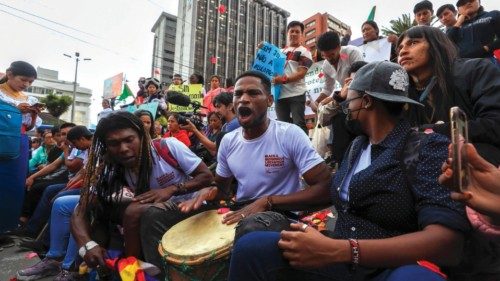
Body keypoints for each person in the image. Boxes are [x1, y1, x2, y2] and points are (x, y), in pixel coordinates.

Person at [226, 62, 469, 281]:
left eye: (348, 101)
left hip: (389, 267)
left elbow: (447, 243)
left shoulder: (427, 148)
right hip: (338, 260)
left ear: (366, 101)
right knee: (252, 247)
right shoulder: (357, 146)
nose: (345, 108)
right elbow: (331, 195)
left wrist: (342, 250)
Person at [178, 69, 330, 245]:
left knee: (250, 231)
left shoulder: (290, 134)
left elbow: (325, 189)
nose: (243, 98)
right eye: (238, 94)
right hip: (241, 210)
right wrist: (208, 192)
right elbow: (222, 190)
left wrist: (268, 202)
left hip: (280, 215)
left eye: (253, 93)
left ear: (269, 101)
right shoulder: (228, 141)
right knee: (167, 215)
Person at [70, 111, 212, 277]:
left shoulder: (168, 147)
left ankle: (131, 266)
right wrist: (86, 245)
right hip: (151, 213)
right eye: (114, 143)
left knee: (134, 211)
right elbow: (81, 209)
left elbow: (206, 177)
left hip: (189, 208)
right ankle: (94, 267)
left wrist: (172, 189)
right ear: (107, 147)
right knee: (102, 211)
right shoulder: (111, 166)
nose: (123, 149)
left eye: (129, 140)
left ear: (142, 137)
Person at [397, 26, 500, 165]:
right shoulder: (400, 94)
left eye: (413, 43)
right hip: (425, 172)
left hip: (480, 166)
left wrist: (429, 131)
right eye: (400, 48)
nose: (403, 51)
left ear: (436, 45)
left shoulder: (475, 70)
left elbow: (494, 125)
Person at [0, 61, 41, 234]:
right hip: (2, 137)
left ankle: (6, 227)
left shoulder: (29, 99)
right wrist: (16, 110)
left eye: (30, 82)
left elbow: (30, 128)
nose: (26, 84)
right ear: (9, 74)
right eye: (23, 79)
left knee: (15, 185)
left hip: (20, 142)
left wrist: (32, 115)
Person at [272, 21, 313, 133]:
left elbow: (301, 73)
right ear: (287, 33)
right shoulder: (280, 52)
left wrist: (284, 79)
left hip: (297, 93)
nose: (294, 34)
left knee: (299, 124)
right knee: (282, 126)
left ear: (302, 35)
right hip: (280, 94)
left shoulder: (305, 52)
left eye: (297, 32)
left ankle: (303, 150)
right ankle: (287, 150)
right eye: (291, 31)